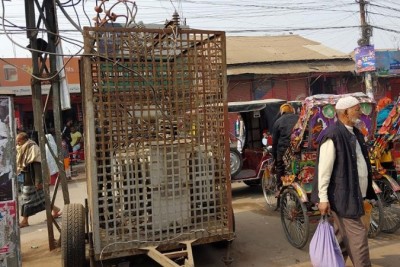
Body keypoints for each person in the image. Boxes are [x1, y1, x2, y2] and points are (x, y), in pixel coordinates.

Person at [311, 96, 376, 267]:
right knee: (359, 242)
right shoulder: (333, 135)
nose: (360, 112)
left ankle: (331, 263)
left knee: (342, 241)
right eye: (356, 109)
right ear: (345, 112)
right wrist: (323, 198)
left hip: (356, 195)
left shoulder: (355, 132)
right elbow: (324, 171)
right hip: (344, 198)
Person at [16, 132, 61, 228]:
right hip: (26, 177)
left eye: (19, 141)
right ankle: (55, 210)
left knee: (26, 200)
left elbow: (37, 166)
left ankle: (25, 220)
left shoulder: (32, 148)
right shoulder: (24, 148)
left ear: (24, 140)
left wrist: (38, 181)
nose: (17, 143)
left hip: (31, 179)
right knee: (41, 198)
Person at [271, 103, 299, 189]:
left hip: (283, 150)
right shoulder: (298, 118)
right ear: (292, 110)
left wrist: (274, 157)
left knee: (280, 166)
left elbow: (274, 142)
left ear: (282, 112)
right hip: (297, 149)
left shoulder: (278, 121)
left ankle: (279, 188)